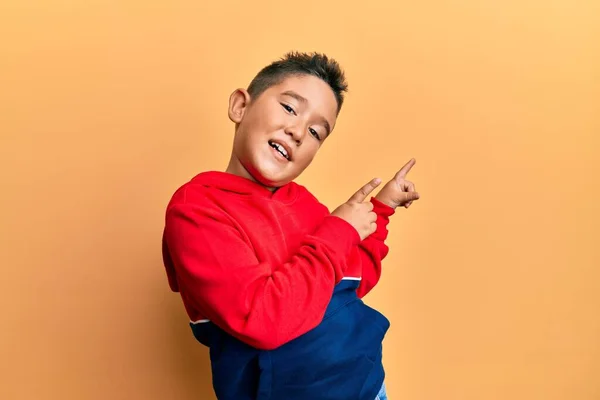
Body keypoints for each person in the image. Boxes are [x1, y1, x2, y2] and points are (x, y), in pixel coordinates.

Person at [161, 51, 420, 400]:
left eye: (316, 131)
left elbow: (348, 285)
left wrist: (381, 210)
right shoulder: (197, 209)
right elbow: (262, 319)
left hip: (368, 386)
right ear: (240, 106)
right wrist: (340, 229)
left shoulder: (305, 204)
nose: (298, 131)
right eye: (289, 108)